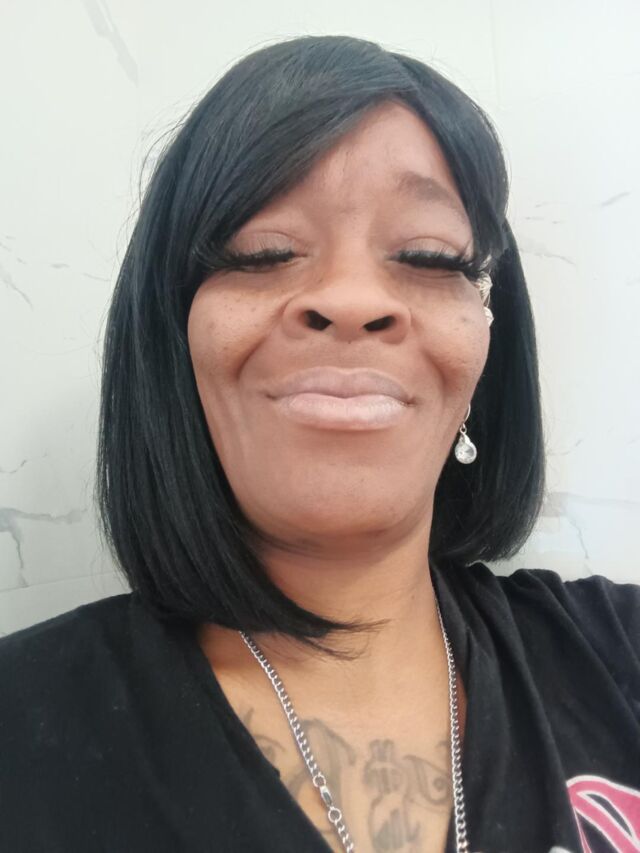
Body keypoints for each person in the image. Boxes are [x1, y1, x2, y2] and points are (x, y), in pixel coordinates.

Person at [1, 34, 639, 853]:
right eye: (263, 253)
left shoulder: (618, 656)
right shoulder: (24, 734)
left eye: (426, 255)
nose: (350, 298)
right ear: (173, 338)